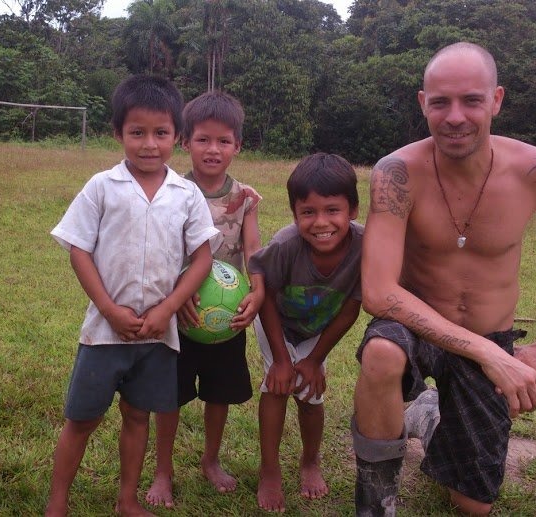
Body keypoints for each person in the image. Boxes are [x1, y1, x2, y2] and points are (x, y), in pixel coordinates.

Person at [352, 41, 536, 516]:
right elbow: (379, 292)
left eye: (472, 100)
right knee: (383, 353)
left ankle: (426, 415)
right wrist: (491, 356)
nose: (455, 116)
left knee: (473, 505)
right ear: (423, 103)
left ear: (497, 100)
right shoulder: (396, 173)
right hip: (418, 327)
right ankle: (375, 502)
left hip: (490, 329)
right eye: (441, 102)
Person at [46, 74, 219, 517]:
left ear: (176, 137)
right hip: (104, 334)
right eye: (136, 132)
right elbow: (78, 249)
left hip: (158, 336)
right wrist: (108, 308)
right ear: (117, 133)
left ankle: (127, 500)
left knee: (138, 417)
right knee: (82, 420)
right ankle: (57, 503)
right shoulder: (102, 187)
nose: (149, 144)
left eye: (161, 133)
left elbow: (202, 257)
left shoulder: (186, 194)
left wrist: (168, 308)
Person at [145, 91, 264, 508]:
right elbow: (160, 252)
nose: (213, 150)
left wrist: (259, 289)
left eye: (224, 141)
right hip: (179, 314)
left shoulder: (245, 197)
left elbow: (253, 250)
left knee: (219, 394)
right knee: (169, 396)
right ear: (185, 142)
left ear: (238, 146)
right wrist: (174, 298)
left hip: (223, 320)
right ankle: (163, 470)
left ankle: (210, 460)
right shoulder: (170, 191)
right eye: (203, 140)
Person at [248, 153, 364, 512]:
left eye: (333, 210)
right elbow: (263, 295)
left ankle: (310, 461)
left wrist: (314, 360)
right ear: (295, 213)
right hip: (274, 321)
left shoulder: (365, 247)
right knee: (277, 386)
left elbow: (350, 307)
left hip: (319, 330)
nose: (321, 222)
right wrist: (282, 360)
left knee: (311, 395)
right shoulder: (285, 245)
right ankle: (270, 470)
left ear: (354, 210)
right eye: (308, 212)